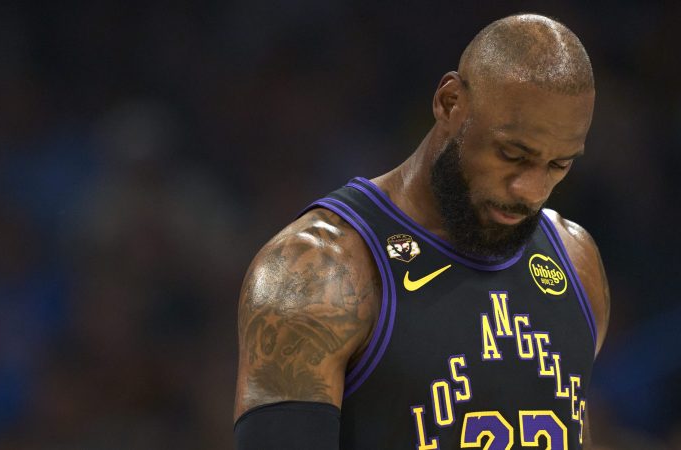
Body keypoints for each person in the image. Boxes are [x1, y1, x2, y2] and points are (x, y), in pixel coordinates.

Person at [234, 13, 610, 450]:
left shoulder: (577, 262)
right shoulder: (320, 269)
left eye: (558, 165)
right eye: (512, 154)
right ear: (450, 103)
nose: (531, 190)